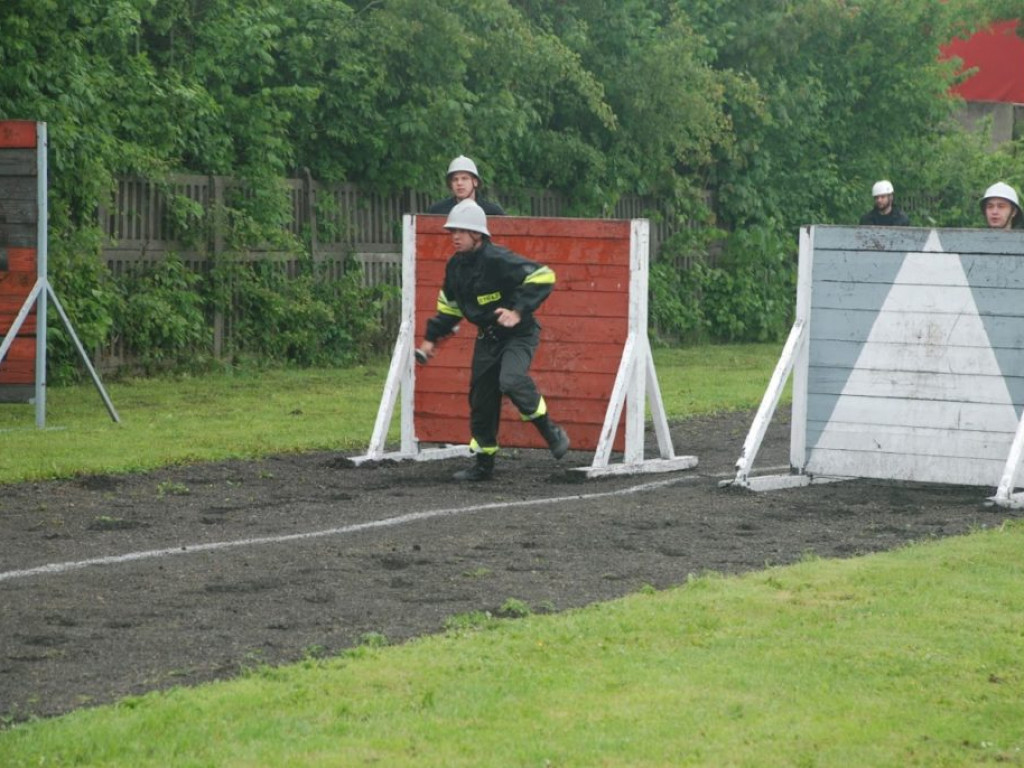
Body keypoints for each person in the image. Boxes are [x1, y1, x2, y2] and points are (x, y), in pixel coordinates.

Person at [417, 199, 569, 481]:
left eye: (461, 231)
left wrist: (518, 311)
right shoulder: (455, 268)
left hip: (519, 334)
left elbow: (544, 275)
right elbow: (449, 309)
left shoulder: (498, 259)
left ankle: (550, 430)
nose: (455, 237)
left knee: (510, 380)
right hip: (487, 339)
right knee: (481, 401)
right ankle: (484, 465)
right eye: (452, 232)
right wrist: (430, 340)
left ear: (477, 234)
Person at [426, 155, 506, 215]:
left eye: (464, 178)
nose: (459, 183)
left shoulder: (493, 212)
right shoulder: (437, 211)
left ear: (475, 182)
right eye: (455, 179)